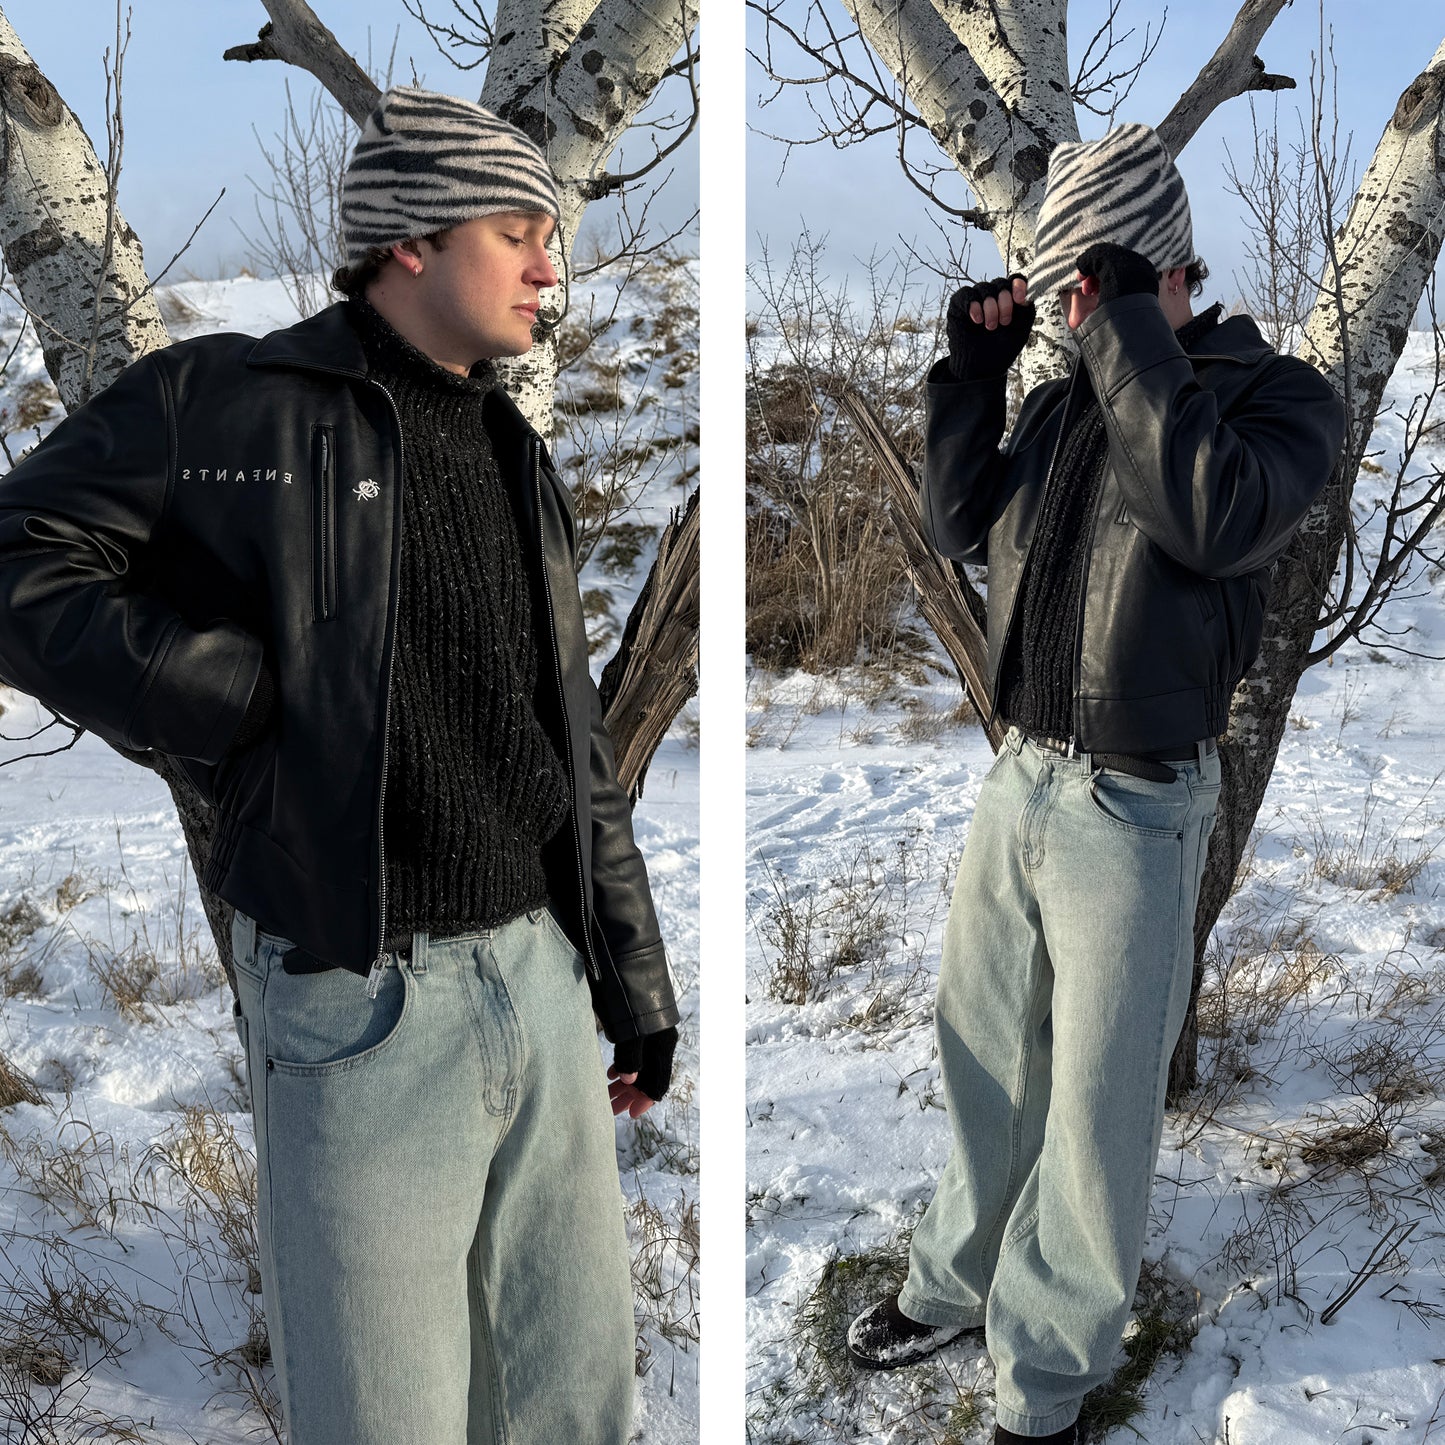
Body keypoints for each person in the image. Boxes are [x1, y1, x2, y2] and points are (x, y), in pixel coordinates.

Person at [0, 87, 680, 1445]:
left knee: (573, 1407)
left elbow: (567, 736)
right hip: (361, 1001)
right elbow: (17, 562)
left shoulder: (510, 444)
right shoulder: (225, 402)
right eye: (517, 233)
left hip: (540, 979)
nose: (551, 267)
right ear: (411, 241)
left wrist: (630, 977)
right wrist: (234, 693)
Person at [846, 123, 1345, 1443]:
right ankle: (956, 1280)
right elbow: (963, 527)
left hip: (1135, 804)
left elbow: (1213, 516)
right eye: (1065, 294)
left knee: (1093, 1105)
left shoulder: (1273, 398)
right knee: (983, 1056)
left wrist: (1126, 334)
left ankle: (1050, 1376)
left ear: (1150, 267)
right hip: (1021, 776)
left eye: (1085, 287)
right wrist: (974, 380)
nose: (1070, 315)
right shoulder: (1071, 394)